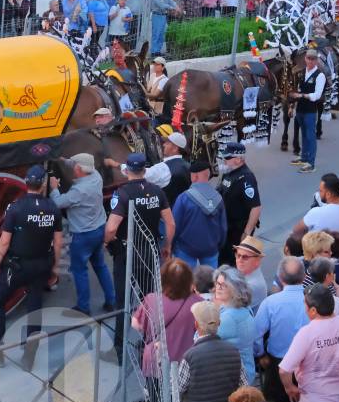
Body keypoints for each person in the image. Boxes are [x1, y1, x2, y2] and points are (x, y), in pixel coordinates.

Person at [0, 165, 61, 358]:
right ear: (43, 184)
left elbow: (4, 241)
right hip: (42, 264)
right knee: (35, 306)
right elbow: (58, 242)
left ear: (26, 183)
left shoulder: (15, 208)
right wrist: (55, 268)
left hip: (17, 266)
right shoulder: (53, 208)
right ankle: (30, 355)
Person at [104, 152, 174, 354]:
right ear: (144, 169)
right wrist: (167, 246)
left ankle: (118, 347)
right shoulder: (157, 191)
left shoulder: (122, 193)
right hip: (149, 250)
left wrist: (106, 241)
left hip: (128, 251)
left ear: (128, 170)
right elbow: (170, 222)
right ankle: (148, 343)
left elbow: (111, 227)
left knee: (122, 301)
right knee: (148, 298)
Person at [134, 259, 198, 402]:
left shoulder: (152, 300)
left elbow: (137, 325)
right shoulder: (197, 303)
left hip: (157, 361)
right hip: (187, 362)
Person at [49, 153, 114, 315]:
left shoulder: (78, 190)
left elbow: (58, 202)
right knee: (100, 266)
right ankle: (111, 301)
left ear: (79, 169)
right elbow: (77, 164)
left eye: (75, 166)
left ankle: (84, 307)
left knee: (79, 270)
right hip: (99, 229)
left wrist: (54, 189)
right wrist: (64, 160)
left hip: (83, 235)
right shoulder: (96, 176)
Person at [252, 258, 308, 402]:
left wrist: (260, 354)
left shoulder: (270, 303)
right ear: (303, 277)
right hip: (307, 364)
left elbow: (255, 334)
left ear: (281, 278)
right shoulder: (312, 301)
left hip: (277, 363)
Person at [172, 159, 227, 268]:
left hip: (186, 249)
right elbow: (223, 228)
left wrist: (171, 245)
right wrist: (217, 245)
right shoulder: (218, 198)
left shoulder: (184, 198)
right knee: (210, 282)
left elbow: (175, 225)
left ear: (194, 177)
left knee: (185, 282)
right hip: (210, 249)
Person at [216, 143, 261, 266]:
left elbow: (256, 208)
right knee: (222, 262)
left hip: (237, 230)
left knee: (234, 265)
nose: (224, 161)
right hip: (226, 228)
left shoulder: (246, 178)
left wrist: (246, 234)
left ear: (238, 159)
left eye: (227, 158)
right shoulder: (228, 172)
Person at [213, 266, 255, 383]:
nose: (218, 288)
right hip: (246, 370)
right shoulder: (245, 308)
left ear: (235, 289)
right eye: (217, 283)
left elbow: (201, 338)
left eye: (224, 285)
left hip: (234, 377)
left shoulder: (228, 318)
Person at [290, 49, 327, 173]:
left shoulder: (320, 76)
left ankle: (311, 163)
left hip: (310, 111)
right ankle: (304, 157)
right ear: (305, 59)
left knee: (311, 136)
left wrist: (301, 96)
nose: (310, 61)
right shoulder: (302, 73)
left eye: (313, 59)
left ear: (316, 61)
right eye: (308, 58)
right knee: (304, 134)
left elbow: (317, 95)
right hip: (300, 109)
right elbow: (297, 89)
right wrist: (292, 105)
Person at [234, 236, 268, 311]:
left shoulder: (253, 285)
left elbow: (229, 306)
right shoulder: (245, 271)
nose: (240, 260)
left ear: (257, 261)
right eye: (238, 255)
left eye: (245, 257)